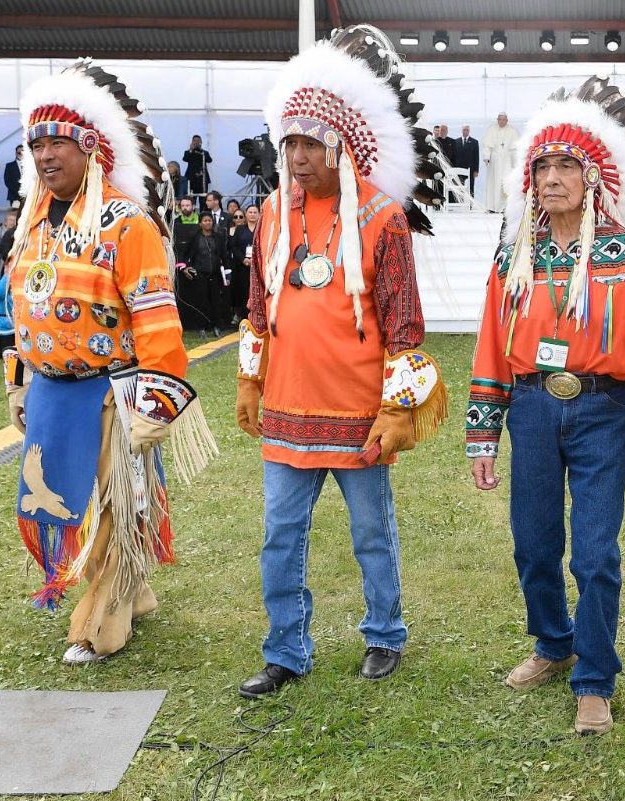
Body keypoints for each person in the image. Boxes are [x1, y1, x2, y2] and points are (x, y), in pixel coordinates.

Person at [236, 24, 448, 700]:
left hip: (358, 412)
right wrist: (249, 378)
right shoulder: (271, 212)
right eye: (288, 143)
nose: (296, 157)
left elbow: (404, 325)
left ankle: (384, 633)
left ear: (338, 145)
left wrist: (395, 408)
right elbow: (258, 306)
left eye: (308, 143)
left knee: (371, 536)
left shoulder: (382, 219)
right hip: (287, 412)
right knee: (279, 541)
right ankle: (285, 650)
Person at [467, 75, 625, 738]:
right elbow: (492, 350)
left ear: (591, 177)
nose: (551, 177)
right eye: (542, 166)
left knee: (594, 554)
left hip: (604, 411)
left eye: (565, 165)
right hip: (532, 408)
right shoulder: (512, 257)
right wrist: (482, 436)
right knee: (533, 544)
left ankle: (594, 679)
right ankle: (553, 644)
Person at [5, 59, 215, 663]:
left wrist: (159, 397)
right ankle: (133, 590)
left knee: (120, 505)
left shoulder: (127, 223)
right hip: (51, 390)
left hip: (112, 390)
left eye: (59, 143)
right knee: (64, 496)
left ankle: (98, 627)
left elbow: (155, 317)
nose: (46, 155)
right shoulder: (32, 226)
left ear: (89, 148)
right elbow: (24, 308)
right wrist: (19, 380)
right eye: (36, 143)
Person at [176, 212, 226, 330]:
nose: (207, 223)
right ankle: (202, 326)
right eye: (205, 220)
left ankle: (216, 325)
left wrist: (227, 274)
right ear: (200, 223)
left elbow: (224, 255)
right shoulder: (195, 237)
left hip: (215, 273)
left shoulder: (218, 237)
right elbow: (183, 252)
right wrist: (183, 267)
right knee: (201, 300)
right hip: (200, 274)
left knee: (215, 300)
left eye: (209, 220)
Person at [481, 112, 519, 212]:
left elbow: (515, 149)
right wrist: (486, 157)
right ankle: (492, 207)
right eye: (500, 119)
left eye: (503, 119)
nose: (501, 121)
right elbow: (487, 146)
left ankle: (505, 207)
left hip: (507, 161)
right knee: (493, 183)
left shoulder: (512, 131)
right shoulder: (491, 130)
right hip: (494, 161)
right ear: (497, 120)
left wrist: (516, 163)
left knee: (505, 183)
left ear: (507, 120)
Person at [225, 203, 256, 323]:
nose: (252, 215)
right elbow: (234, 246)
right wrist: (243, 259)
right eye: (250, 212)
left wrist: (255, 260)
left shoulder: (262, 227)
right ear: (246, 214)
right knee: (243, 291)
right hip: (242, 266)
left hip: (257, 266)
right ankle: (244, 318)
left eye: (255, 212)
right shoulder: (240, 229)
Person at [182, 134, 212, 201]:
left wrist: (201, 150)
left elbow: (210, 160)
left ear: (201, 142)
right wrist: (191, 150)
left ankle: (203, 211)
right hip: (191, 178)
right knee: (191, 198)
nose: (196, 142)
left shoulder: (204, 152)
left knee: (203, 199)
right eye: (194, 140)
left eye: (198, 140)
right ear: (192, 142)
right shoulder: (187, 152)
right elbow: (185, 159)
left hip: (202, 178)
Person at [454, 125, 480, 197]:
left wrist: (476, 170)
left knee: (471, 187)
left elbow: (476, 157)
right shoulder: (456, 141)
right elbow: (454, 156)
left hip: (471, 169)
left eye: (467, 130)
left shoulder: (474, 142)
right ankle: (459, 203)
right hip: (458, 169)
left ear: (469, 131)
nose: (465, 131)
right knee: (459, 187)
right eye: (464, 130)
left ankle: (470, 204)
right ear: (461, 131)